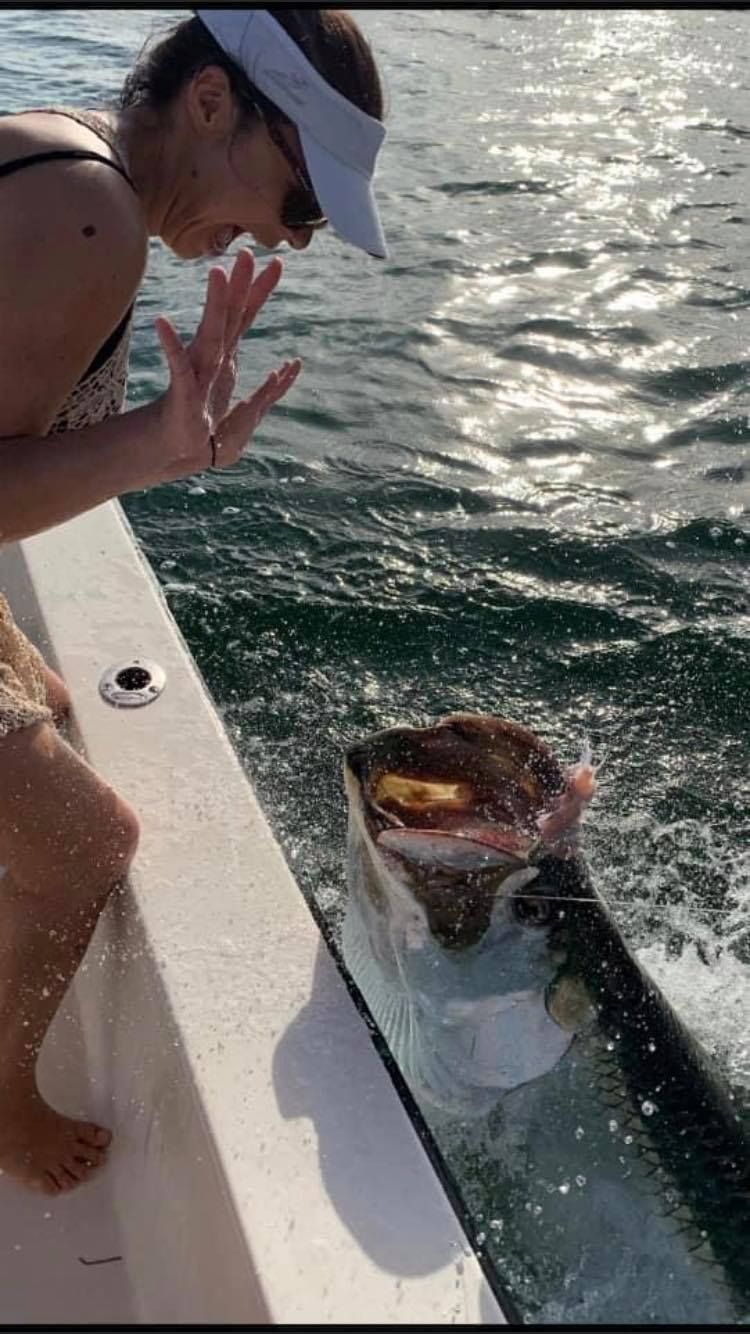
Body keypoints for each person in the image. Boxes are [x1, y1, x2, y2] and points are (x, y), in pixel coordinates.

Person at [0, 7, 387, 1194]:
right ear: (212, 103)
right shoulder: (92, 217)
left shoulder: (59, 151)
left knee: (52, 698)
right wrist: (156, 445)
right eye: (302, 198)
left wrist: (169, 449)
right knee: (88, 848)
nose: (294, 240)